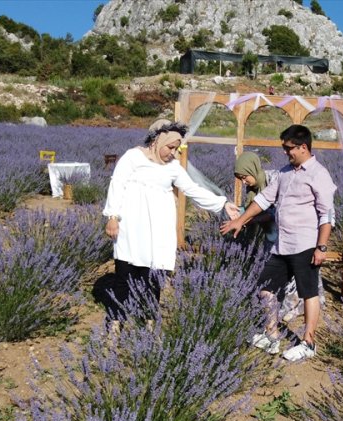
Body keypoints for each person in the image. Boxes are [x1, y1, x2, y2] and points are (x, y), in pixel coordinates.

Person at [101, 119, 240, 326]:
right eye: (170, 147)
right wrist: (112, 217)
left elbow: (192, 189)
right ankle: (115, 324)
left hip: (159, 230)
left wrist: (222, 204)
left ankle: (149, 324)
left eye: (176, 148)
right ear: (157, 141)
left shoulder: (173, 167)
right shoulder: (133, 158)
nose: (173, 153)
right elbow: (117, 185)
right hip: (131, 228)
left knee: (153, 277)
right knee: (125, 276)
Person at [221, 125, 336, 361]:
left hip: (304, 243)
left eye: (288, 148)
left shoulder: (319, 175)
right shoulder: (285, 173)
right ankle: (271, 335)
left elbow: (326, 214)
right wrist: (240, 221)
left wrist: (321, 247)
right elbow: (264, 199)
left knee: (308, 292)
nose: (285, 152)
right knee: (265, 288)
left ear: (303, 147)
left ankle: (308, 343)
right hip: (281, 244)